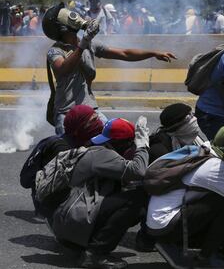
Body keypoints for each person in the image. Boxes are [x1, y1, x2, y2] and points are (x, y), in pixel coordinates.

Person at [42, 3, 176, 135]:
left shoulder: (90, 44)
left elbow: (124, 53)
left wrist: (153, 53)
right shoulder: (55, 51)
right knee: (68, 153)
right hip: (67, 113)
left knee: (112, 140)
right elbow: (63, 69)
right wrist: (83, 43)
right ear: (62, 28)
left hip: (90, 109)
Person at [146, 125, 224, 268]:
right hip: (166, 226)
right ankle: (205, 257)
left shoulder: (207, 148)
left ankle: (207, 248)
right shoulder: (218, 169)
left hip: (163, 219)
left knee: (223, 199)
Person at [51, 117, 150, 269]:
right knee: (134, 199)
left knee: (136, 203)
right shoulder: (103, 155)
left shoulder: (100, 149)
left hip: (68, 221)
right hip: (71, 223)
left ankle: (87, 243)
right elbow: (138, 170)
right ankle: (95, 253)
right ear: (122, 143)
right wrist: (142, 146)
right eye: (130, 143)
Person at [135, 103, 202, 252]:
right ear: (178, 125)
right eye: (189, 117)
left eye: (192, 115)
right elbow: (157, 184)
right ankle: (149, 235)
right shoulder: (160, 149)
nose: (194, 119)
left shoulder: (194, 140)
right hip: (159, 193)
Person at [20, 105, 104, 218]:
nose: (98, 123)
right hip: (50, 202)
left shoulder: (73, 140)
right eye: (93, 120)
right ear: (78, 126)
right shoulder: (62, 148)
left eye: (97, 118)